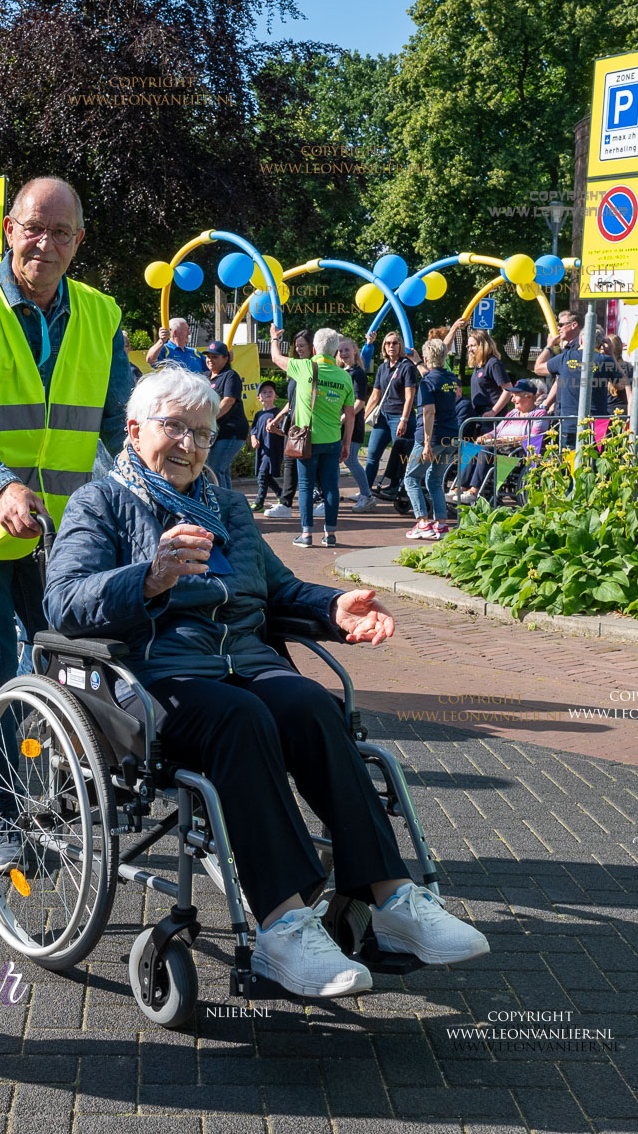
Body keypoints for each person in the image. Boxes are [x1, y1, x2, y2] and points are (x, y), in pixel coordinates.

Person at [42, 366, 490, 997]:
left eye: (203, 433)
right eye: (175, 428)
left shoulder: (225, 506)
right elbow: (63, 603)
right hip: (153, 681)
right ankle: (283, 927)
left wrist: (331, 608)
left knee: (310, 703)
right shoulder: (102, 503)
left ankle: (392, 901)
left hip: (246, 664)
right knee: (241, 718)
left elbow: (277, 588)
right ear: (135, 429)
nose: (191, 446)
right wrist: (149, 577)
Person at [0, 175, 134, 866]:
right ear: (8, 230)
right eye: (32, 228)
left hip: (69, 533)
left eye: (60, 231)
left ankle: (62, 791)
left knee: (64, 660)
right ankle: (0, 818)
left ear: (80, 241)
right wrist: (1, 484)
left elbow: (121, 425)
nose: (44, 243)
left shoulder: (103, 315)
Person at [270, 325, 357, 548]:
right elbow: (350, 414)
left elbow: (275, 358)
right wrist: (346, 443)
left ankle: (306, 534)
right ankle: (330, 534)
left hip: (306, 440)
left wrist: (273, 338)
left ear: (315, 347)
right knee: (330, 487)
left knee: (307, 486)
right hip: (332, 440)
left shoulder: (304, 367)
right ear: (336, 349)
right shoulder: (344, 377)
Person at [403, 339, 461, 540]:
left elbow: (428, 412)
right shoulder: (452, 379)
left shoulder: (427, 382)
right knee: (434, 479)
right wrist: (417, 361)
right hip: (451, 437)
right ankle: (441, 524)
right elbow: (433, 379)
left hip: (433, 438)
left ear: (427, 357)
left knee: (411, 478)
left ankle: (423, 522)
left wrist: (427, 443)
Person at [450, 381, 544, 501]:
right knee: (474, 447)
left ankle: (474, 491)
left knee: (486, 450)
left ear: (529, 396)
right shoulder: (512, 414)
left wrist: (504, 441)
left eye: (516, 396)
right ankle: (460, 487)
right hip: (499, 448)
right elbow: (496, 431)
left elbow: (533, 438)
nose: (512, 400)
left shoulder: (539, 414)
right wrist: (485, 437)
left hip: (516, 454)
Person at [361, 331, 418, 505]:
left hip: (400, 416)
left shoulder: (407, 367)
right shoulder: (382, 367)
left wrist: (404, 419)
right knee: (372, 455)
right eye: (388, 343)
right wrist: (362, 418)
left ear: (400, 346)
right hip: (383, 417)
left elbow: (410, 397)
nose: (391, 346)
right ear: (384, 346)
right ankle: (365, 491)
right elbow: (375, 396)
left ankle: (396, 488)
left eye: (395, 343)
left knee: (399, 457)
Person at [534, 310, 586, 445]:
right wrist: (546, 405)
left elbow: (538, 369)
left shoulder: (577, 350)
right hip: (563, 411)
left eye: (561, 324)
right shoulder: (568, 349)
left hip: (572, 415)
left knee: (570, 455)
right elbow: (560, 380)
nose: (558, 328)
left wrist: (549, 346)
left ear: (574, 325)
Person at [279, 328, 315, 512]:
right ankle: (285, 502)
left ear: (311, 347)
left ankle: (319, 499)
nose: (299, 349)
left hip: (305, 424)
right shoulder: (295, 369)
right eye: (297, 346)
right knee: (290, 461)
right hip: (293, 423)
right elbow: (291, 400)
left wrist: (273, 340)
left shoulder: (309, 368)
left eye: (303, 345)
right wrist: (277, 418)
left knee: (305, 462)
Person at [202, 340, 246, 484]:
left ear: (225, 358)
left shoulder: (230, 375)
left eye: (215, 357)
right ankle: (229, 505)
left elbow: (228, 401)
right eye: (208, 356)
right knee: (222, 471)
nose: (210, 360)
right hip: (217, 433)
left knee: (214, 470)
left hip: (231, 431)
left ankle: (221, 505)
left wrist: (209, 419)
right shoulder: (205, 376)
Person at [337, 339, 373, 503]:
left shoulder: (358, 373)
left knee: (350, 460)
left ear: (354, 351)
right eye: (340, 351)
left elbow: (360, 402)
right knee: (335, 460)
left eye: (346, 350)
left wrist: (343, 419)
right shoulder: (339, 372)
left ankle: (367, 495)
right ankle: (333, 494)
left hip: (352, 424)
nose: (343, 354)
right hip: (339, 425)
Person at [249, 380, 287, 510]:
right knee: (266, 476)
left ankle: (259, 502)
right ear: (259, 398)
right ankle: (280, 493)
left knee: (262, 475)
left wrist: (275, 430)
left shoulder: (279, 413)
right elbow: (253, 431)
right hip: (262, 450)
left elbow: (285, 432)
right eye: (264, 392)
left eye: (271, 391)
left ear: (275, 395)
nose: (268, 393)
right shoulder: (258, 414)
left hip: (273, 449)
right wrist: (253, 439)